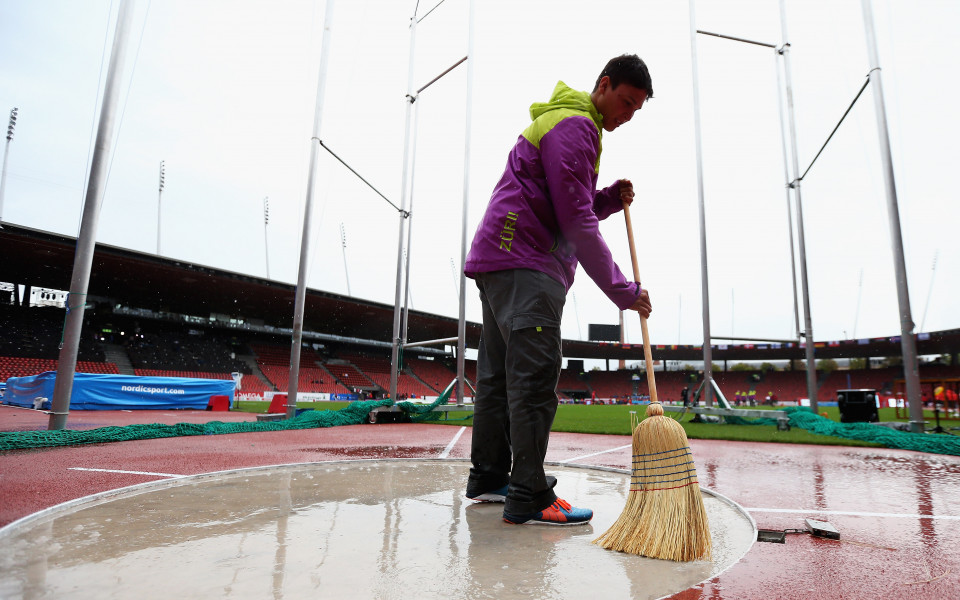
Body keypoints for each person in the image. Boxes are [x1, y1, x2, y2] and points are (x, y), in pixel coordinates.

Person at [462, 54, 654, 526]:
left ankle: (489, 477)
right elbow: (576, 222)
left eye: (636, 110)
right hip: (526, 262)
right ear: (604, 85)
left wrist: (607, 197)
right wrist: (622, 291)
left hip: (499, 258)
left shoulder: (560, 121)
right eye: (625, 102)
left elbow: (563, 200)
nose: (626, 116)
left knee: (498, 378)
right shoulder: (577, 126)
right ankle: (529, 495)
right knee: (532, 381)